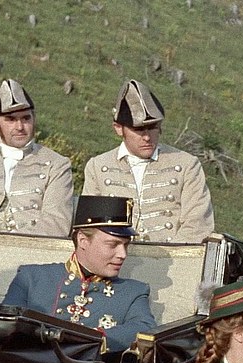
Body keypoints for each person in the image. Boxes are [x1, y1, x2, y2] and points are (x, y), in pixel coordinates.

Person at [2, 195, 157, 353]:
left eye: (126, 245)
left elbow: (144, 328)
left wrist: (94, 339)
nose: (122, 254)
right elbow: (5, 327)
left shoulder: (133, 292)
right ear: (83, 240)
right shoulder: (31, 278)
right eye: (113, 245)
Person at [82, 79, 214, 243]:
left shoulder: (187, 164)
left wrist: (172, 255)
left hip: (173, 254)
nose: (147, 137)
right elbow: (90, 229)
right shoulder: (98, 166)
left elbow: (197, 224)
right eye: (138, 129)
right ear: (118, 128)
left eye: (152, 127)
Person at [0, 79, 74, 237]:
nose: (20, 127)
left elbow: (56, 225)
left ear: (34, 118)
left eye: (26, 118)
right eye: (10, 119)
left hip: (34, 247)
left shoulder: (57, 165)